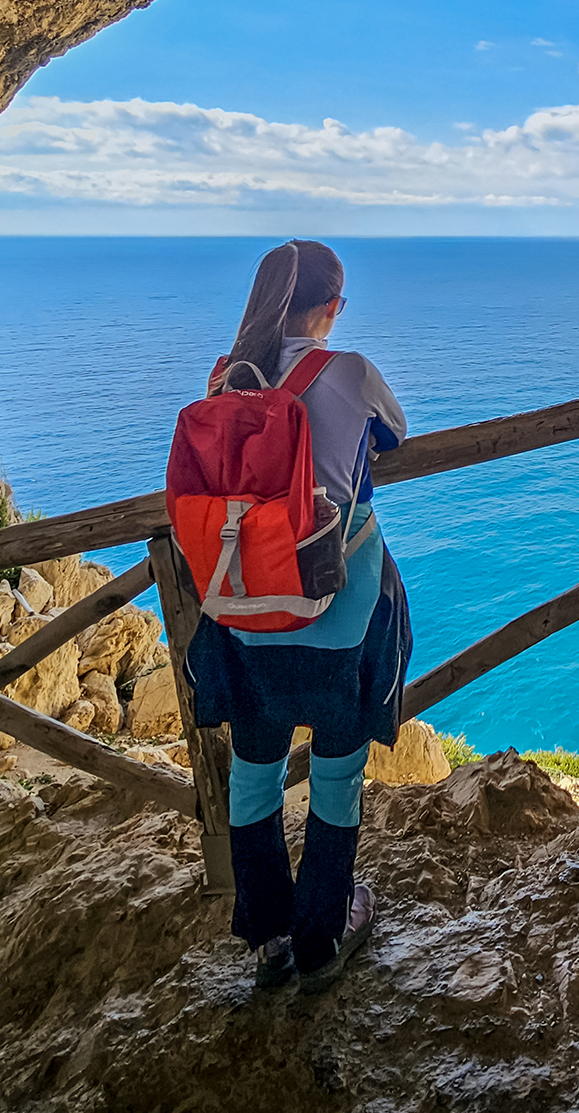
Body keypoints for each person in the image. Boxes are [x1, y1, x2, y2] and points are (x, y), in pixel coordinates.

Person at [183, 239, 411, 994]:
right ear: (332, 307)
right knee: (337, 778)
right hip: (337, 616)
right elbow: (395, 433)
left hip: (243, 613)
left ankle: (268, 938)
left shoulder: (224, 378)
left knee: (254, 777)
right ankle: (323, 934)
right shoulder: (348, 372)